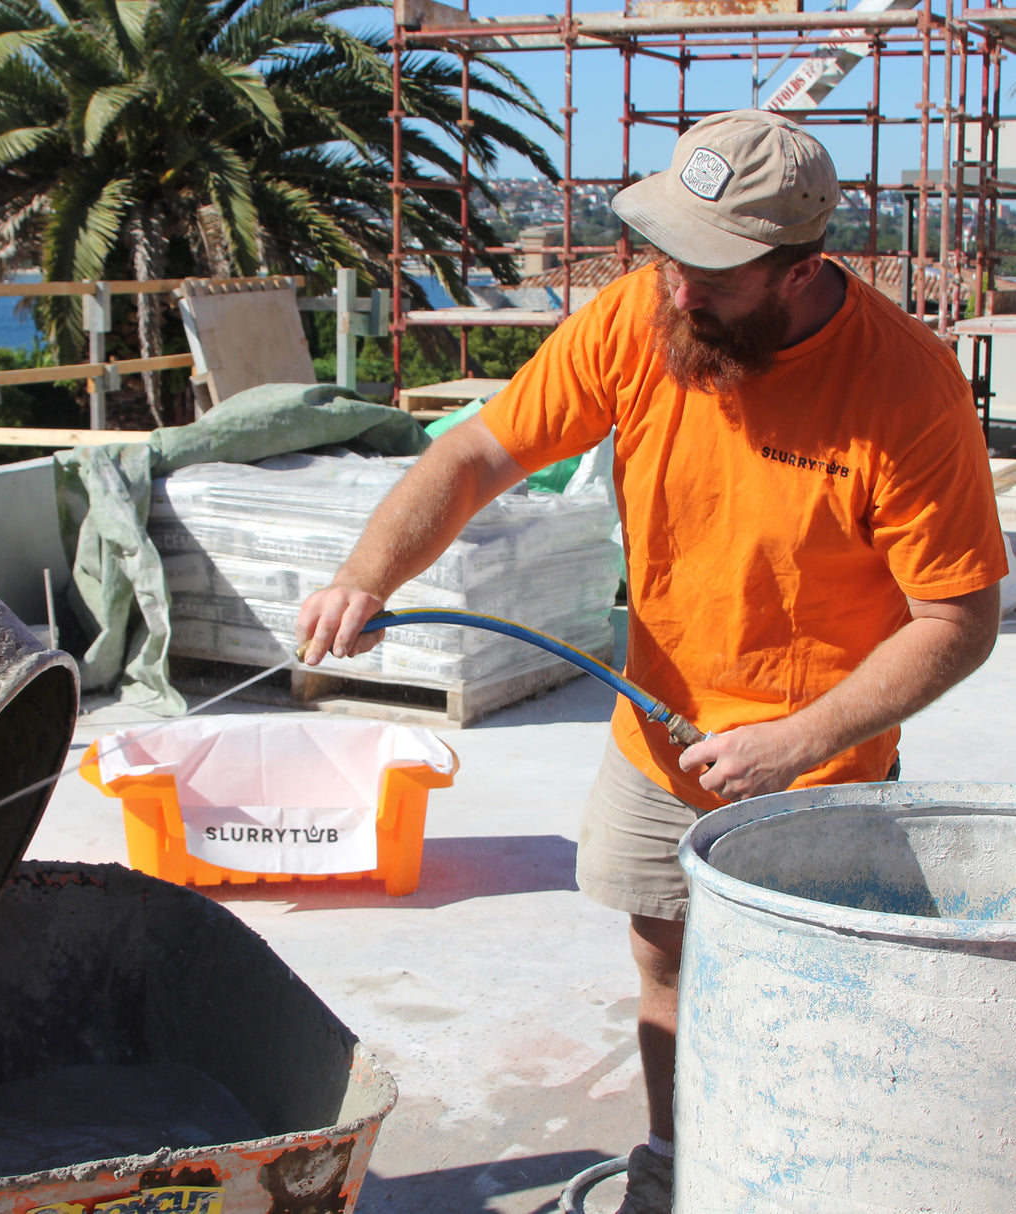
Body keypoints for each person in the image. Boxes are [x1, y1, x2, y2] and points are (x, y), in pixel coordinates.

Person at [295, 110, 1008, 1213]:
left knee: (804, 996)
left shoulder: (905, 390)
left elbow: (956, 615)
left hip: (816, 771)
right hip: (656, 736)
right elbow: (479, 450)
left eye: (712, 273)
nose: (678, 290)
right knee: (663, 968)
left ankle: (791, 1174)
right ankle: (675, 1163)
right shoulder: (640, 315)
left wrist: (801, 737)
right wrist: (366, 573)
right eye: (670, 256)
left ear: (802, 266)